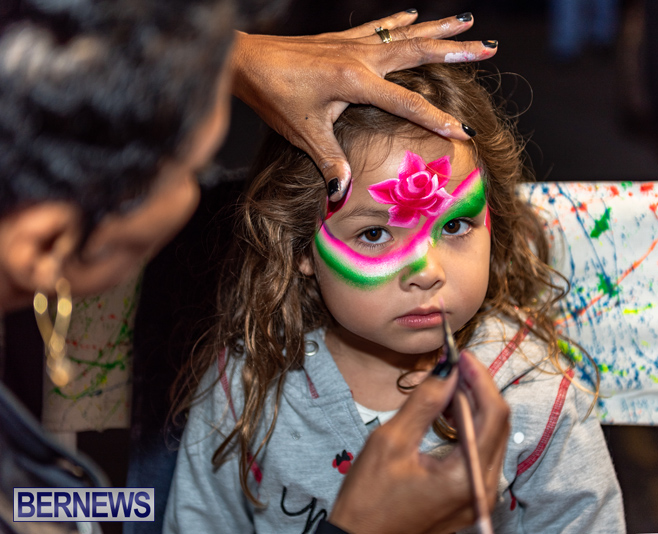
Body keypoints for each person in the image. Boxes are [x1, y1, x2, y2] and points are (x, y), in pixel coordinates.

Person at [0, 0, 510, 532]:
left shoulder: (536, 390)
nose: (204, 195)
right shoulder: (242, 396)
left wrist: (235, 59)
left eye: (453, 226)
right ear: (43, 247)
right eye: (192, 170)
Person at [165, 63, 626, 533]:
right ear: (300, 245)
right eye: (374, 233)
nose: (426, 271)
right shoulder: (249, 387)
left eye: (453, 225)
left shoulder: (534, 396)